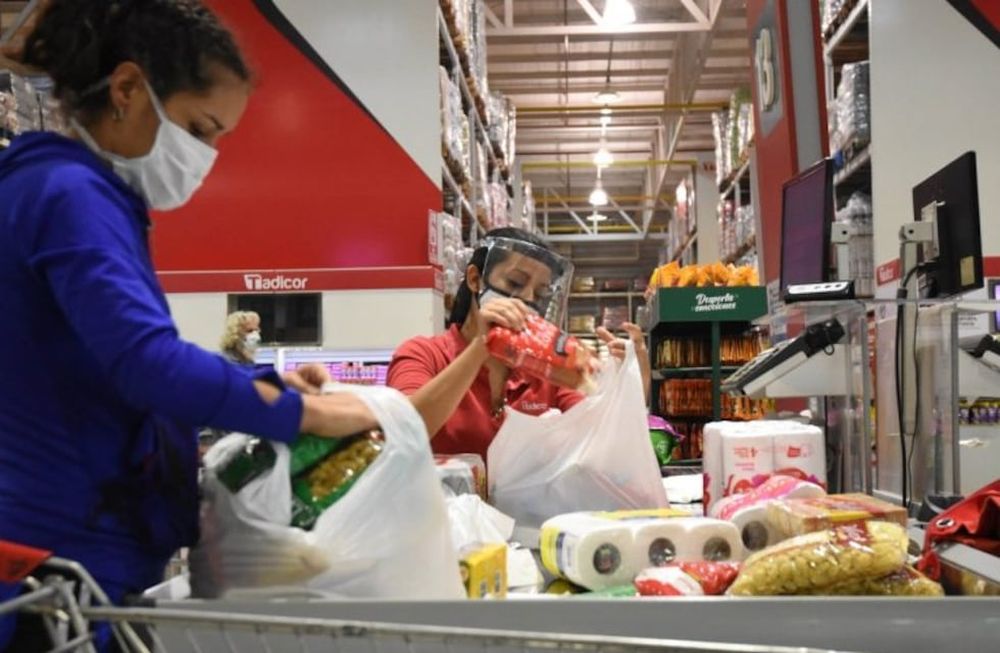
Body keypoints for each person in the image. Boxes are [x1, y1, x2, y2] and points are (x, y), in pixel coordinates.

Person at [0, 2, 380, 648]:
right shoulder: (70, 195)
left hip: (82, 568)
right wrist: (302, 413)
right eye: (199, 129)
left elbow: (103, 364)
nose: (205, 157)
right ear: (126, 90)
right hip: (52, 576)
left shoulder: (85, 194)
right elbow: (148, 365)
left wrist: (263, 382)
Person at [387, 228, 650, 463]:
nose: (526, 300)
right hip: (448, 515)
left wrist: (632, 381)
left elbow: (602, 439)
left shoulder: (546, 371)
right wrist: (481, 347)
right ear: (475, 279)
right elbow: (404, 432)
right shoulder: (423, 353)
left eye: (540, 293)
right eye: (514, 283)